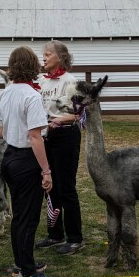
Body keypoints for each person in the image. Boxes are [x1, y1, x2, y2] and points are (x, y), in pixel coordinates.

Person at [0, 46, 56, 277]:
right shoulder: (31, 96)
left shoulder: (5, 93)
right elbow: (35, 137)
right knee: (28, 218)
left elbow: (0, 132)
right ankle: (28, 274)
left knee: (19, 216)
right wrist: (46, 171)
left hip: (9, 157)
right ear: (32, 67)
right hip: (26, 160)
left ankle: (21, 263)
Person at [35, 40, 84, 255]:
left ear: (61, 57)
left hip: (65, 136)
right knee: (49, 186)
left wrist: (59, 120)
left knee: (66, 187)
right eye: (43, 54)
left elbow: (78, 114)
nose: (44, 57)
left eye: (48, 54)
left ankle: (75, 238)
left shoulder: (71, 81)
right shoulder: (41, 81)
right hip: (46, 137)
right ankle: (55, 233)